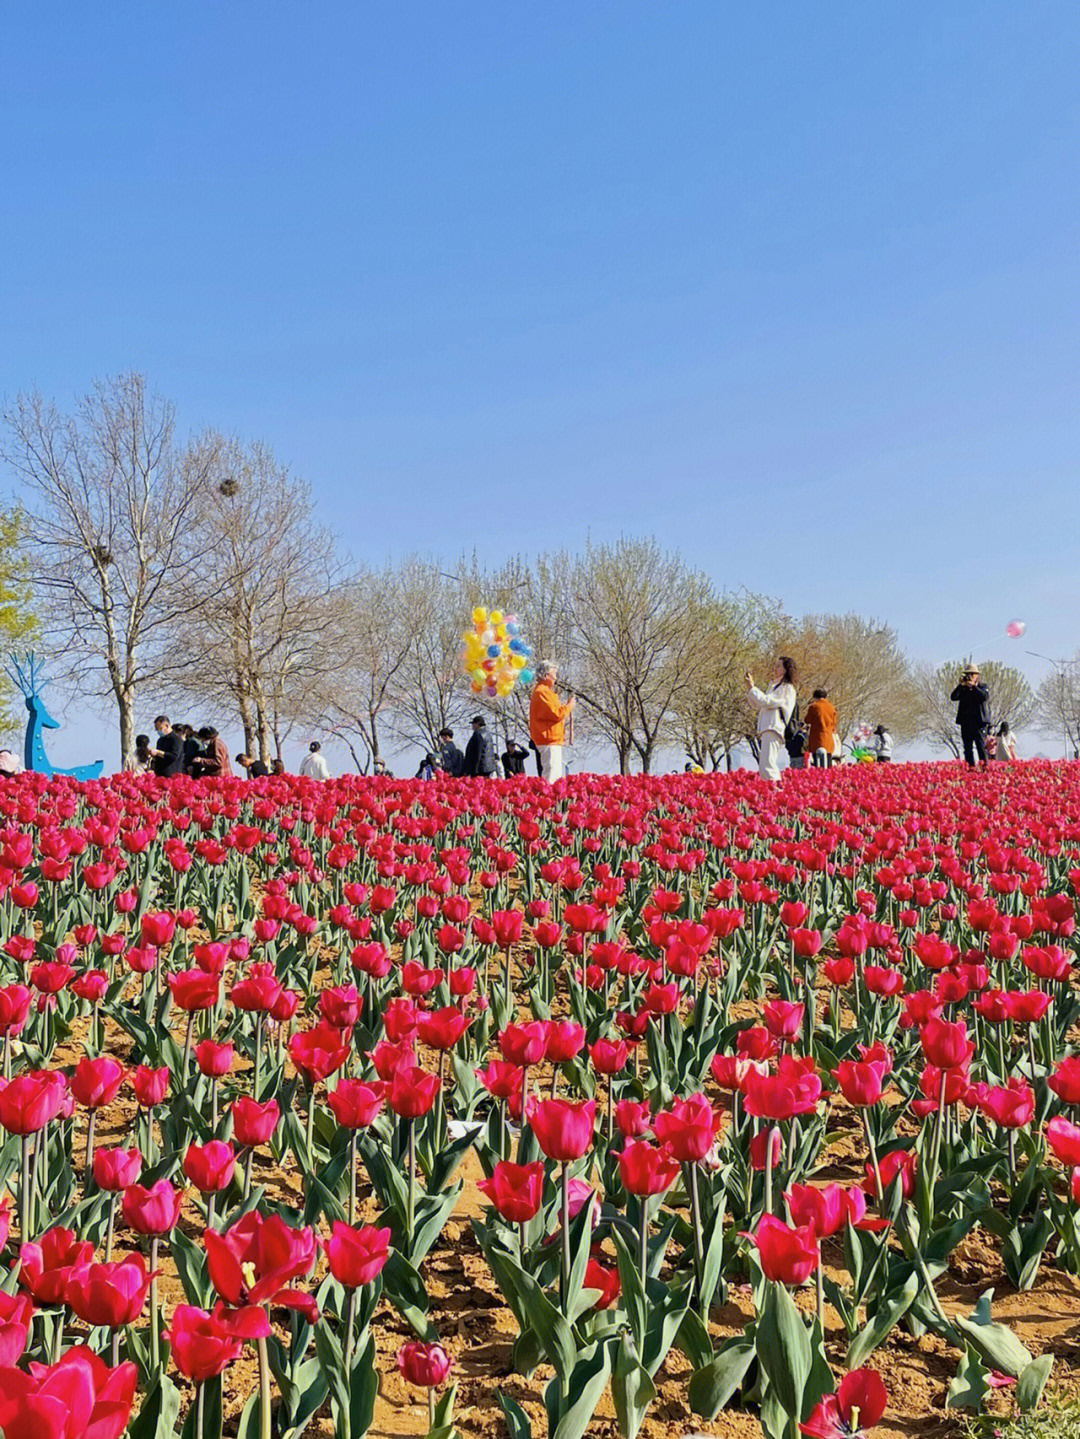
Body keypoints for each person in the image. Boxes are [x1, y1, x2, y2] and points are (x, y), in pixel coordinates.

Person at [746, 657, 798, 782]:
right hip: (767, 727)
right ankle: (771, 793)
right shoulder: (774, 686)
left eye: (779, 666)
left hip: (774, 727)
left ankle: (777, 793)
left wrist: (753, 688)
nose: (775, 669)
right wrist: (750, 690)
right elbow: (757, 705)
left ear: (786, 670)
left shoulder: (786, 688)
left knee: (768, 766)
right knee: (764, 767)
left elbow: (766, 701)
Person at [529, 663, 575, 783]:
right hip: (548, 739)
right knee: (551, 777)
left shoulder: (546, 692)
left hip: (551, 738)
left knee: (553, 774)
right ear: (546, 675)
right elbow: (556, 714)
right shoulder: (542, 692)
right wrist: (569, 706)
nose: (556, 677)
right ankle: (549, 800)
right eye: (554, 674)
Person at [950, 664, 991, 766]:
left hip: (978, 723)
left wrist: (974, 687)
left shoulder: (982, 687)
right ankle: (970, 769)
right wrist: (961, 685)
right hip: (966, 723)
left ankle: (984, 768)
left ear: (977, 675)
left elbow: (984, 697)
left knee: (980, 747)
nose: (969, 677)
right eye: (967, 674)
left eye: (972, 674)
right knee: (967, 748)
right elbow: (953, 697)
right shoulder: (963, 689)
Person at [805, 689, 837, 768]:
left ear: (815, 697)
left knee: (817, 763)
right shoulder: (831, 707)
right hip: (828, 738)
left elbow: (807, 720)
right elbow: (834, 723)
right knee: (828, 762)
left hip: (817, 738)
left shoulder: (814, 706)